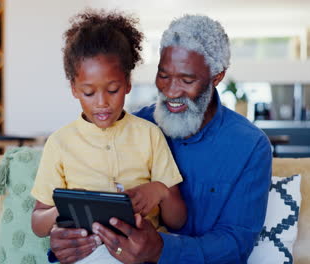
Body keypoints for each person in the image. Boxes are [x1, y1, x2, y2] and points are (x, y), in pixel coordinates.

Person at [50, 14, 272, 264]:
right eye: (164, 75)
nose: (171, 91)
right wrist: (67, 240)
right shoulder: (136, 128)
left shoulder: (250, 146)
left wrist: (161, 248)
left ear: (217, 77)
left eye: (187, 80)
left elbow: (236, 244)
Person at [30, 10, 187, 264]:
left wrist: (160, 192)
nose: (102, 103)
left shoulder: (149, 135)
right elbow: (38, 223)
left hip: (138, 255)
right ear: (74, 89)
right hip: (84, 255)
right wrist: (63, 209)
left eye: (112, 90)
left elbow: (178, 220)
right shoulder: (60, 143)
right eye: (89, 92)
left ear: (127, 83)